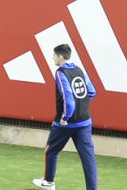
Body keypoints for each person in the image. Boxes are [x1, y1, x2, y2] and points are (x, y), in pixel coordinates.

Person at [32, 43, 96, 190]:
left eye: (54, 55)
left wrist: (65, 118)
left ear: (61, 57)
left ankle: (48, 182)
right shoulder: (79, 69)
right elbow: (92, 92)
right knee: (88, 159)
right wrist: (83, 106)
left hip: (66, 123)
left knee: (51, 150)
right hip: (85, 121)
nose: (52, 58)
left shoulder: (61, 73)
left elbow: (69, 100)